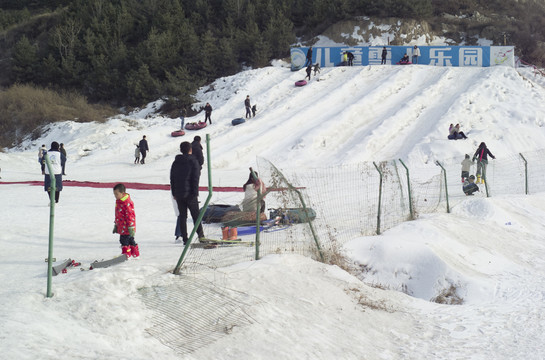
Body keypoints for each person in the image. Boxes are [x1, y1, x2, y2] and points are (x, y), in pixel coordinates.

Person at [170, 141, 205, 245]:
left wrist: (174, 193)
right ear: (190, 149)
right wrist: (195, 193)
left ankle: (185, 238)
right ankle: (201, 236)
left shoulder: (176, 162)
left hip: (179, 194)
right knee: (196, 216)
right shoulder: (193, 161)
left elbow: (172, 179)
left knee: (182, 216)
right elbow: (195, 178)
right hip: (190, 194)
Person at [112, 183, 139, 258]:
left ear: (122, 193)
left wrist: (131, 226)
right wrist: (116, 224)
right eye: (114, 194)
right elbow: (118, 214)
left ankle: (126, 255)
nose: (115, 196)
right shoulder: (119, 201)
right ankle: (135, 254)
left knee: (124, 241)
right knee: (130, 240)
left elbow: (130, 215)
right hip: (121, 226)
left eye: (117, 194)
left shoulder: (126, 203)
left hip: (127, 227)